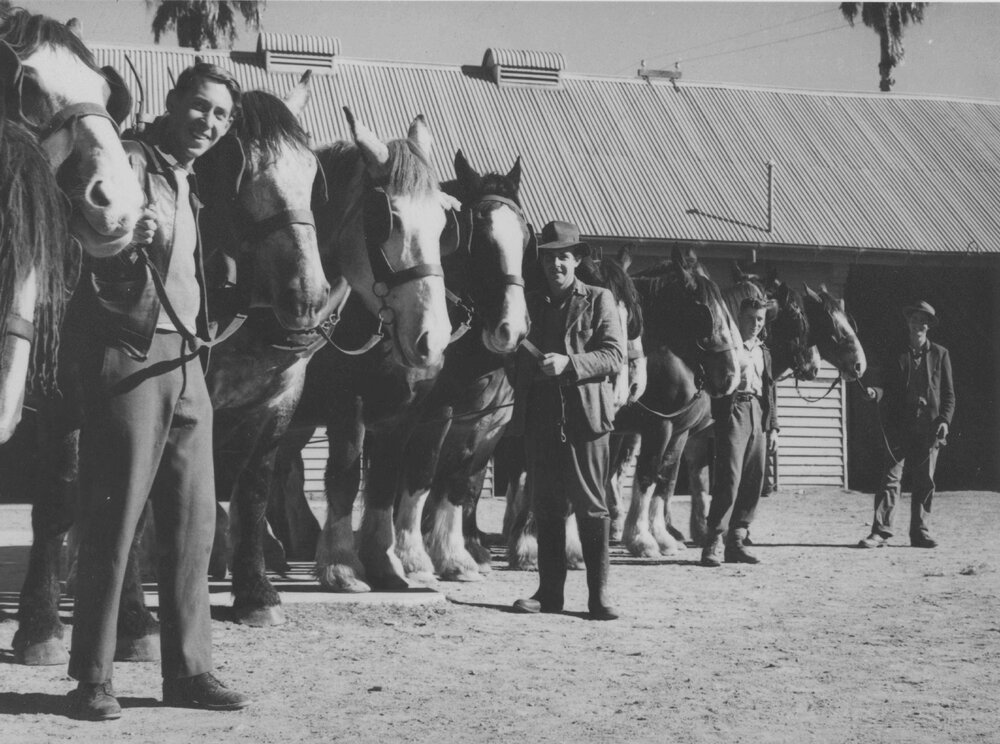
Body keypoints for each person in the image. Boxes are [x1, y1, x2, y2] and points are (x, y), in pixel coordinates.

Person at [65, 63, 251, 720]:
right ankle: (91, 675)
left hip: (189, 362)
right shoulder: (131, 161)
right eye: (200, 107)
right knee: (115, 518)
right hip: (131, 349)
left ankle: (189, 671)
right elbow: (85, 230)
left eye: (221, 116)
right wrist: (122, 243)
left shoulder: (191, 182)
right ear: (172, 101)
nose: (209, 122)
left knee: (194, 522)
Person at [509, 220, 626, 620]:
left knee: (592, 508)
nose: (555, 264)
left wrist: (569, 364)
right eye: (548, 257)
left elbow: (613, 355)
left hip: (586, 421)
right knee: (546, 508)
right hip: (541, 419)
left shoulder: (599, 299)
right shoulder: (531, 303)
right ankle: (550, 593)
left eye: (563, 256)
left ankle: (599, 596)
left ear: (576, 259)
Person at [858, 301, 955, 549]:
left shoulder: (940, 354)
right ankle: (881, 532)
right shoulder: (895, 352)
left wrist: (944, 420)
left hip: (929, 427)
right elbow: (884, 387)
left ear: (929, 326)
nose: (918, 325)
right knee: (890, 478)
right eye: (914, 320)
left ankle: (920, 532)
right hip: (899, 426)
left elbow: (949, 395)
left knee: (925, 481)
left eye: (924, 321)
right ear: (908, 323)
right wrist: (874, 392)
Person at [701, 296, 779, 567]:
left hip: (757, 412)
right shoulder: (731, 347)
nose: (756, 324)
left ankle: (737, 541)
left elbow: (769, 389)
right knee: (729, 477)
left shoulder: (763, 350)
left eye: (760, 319)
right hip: (734, 410)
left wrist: (773, 426)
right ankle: (713, 541)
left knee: (753, 478)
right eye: (750, 318)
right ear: (739, 317)